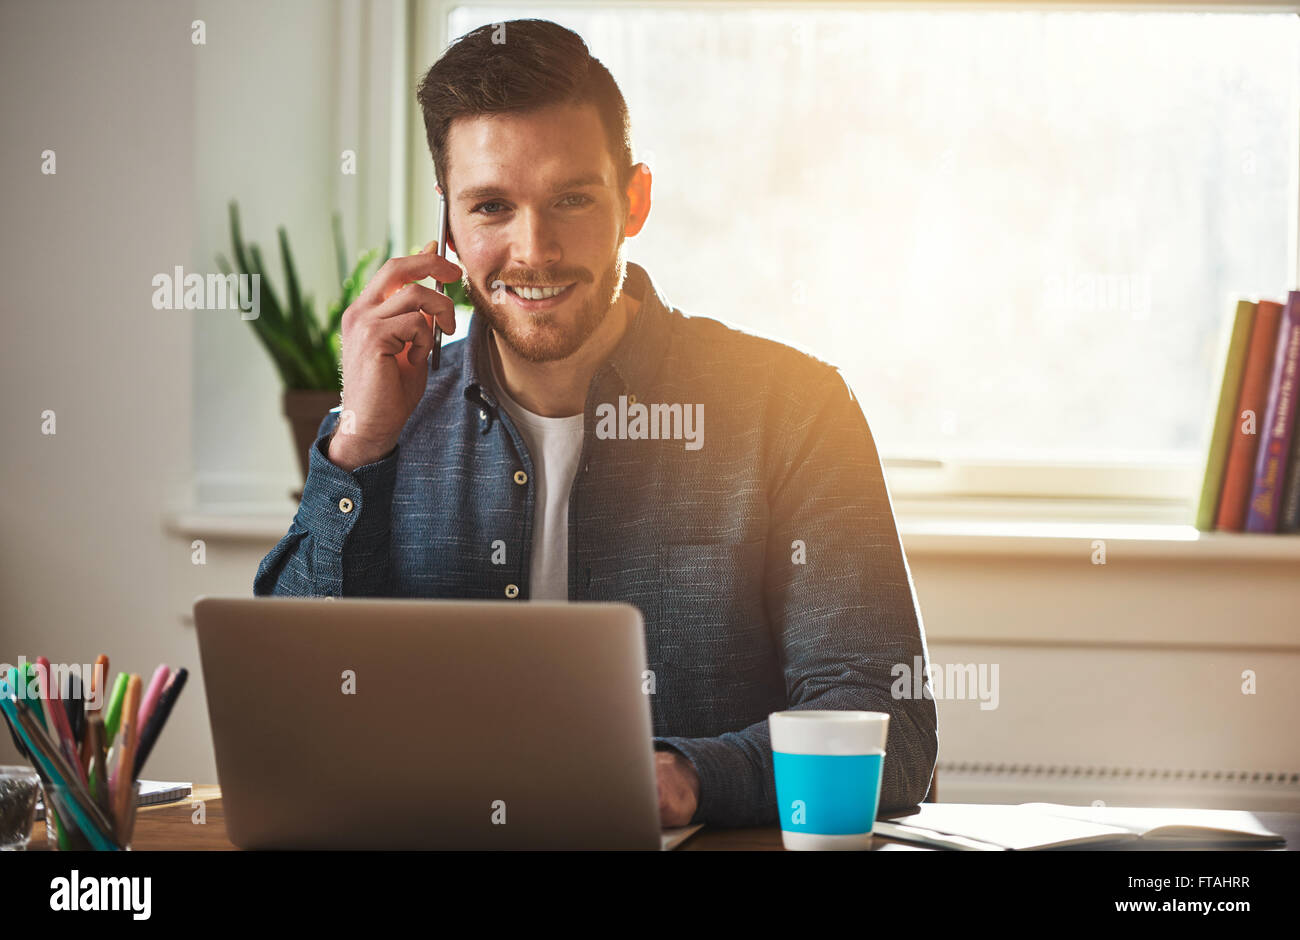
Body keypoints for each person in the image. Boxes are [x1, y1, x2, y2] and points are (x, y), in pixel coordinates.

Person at [255, 17, 938, 829]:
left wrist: (695, 776)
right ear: (449, 224)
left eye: (572, 199)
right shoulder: (382, 421)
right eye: (492, 207)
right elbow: (285, 720)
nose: (533, 250)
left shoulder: (793, 410)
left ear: (635, 200)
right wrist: (358, 446)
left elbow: (889, 728)